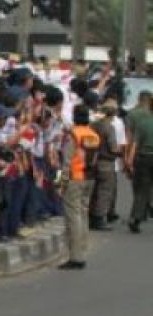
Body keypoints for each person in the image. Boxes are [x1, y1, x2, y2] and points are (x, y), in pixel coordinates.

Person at [58, 105, 101, 270]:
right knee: (83, 214)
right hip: (90, 179)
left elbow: (66, 163)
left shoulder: (73, 135)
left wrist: (60, 184)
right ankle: (82, 251)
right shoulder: (94, 135)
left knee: (73, 216)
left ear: (75, 117)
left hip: (75, 179)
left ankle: (76, 257)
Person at [89, 99, 121, 231]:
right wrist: (120, 152)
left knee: (94, 190)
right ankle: (99, 218)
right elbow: (113, 147)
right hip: (106, 162)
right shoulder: (109, 127)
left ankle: (91, 215)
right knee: (105, 191)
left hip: (93, 160)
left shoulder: (94, 125)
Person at [125, 90, 153, 233]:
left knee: (142, 189)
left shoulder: (141, 123)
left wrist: (129, 159)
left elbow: (133, 142)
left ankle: (135, 217)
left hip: (143, 157)